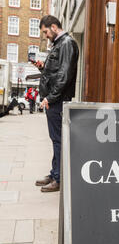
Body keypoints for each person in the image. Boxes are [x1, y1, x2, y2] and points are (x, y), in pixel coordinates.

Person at [35, 15, 79, 192]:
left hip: (58, 101)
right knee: (56, 139)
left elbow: (64, 75)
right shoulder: (59, 44)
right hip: (54, 100)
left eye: (46, 31)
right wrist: (42, 67)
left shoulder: (67, 43)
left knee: (59, 140)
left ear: (54, 27)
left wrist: (50, 98)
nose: (45, 35)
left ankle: (59, 179)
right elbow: (56, 72)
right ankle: (55, 174)